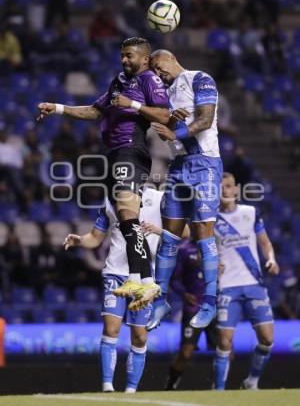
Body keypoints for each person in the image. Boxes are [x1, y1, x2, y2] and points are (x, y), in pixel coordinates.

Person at [37, 37, 175, 306]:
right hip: (113, 155)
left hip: (131, 150)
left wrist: (132, 105)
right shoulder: (119, 81)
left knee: (126, 213)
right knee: (126, 219)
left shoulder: (150, 80)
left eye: (129, 55)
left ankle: (147, 282)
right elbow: (94, 110)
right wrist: (59, 108)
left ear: (144, 59)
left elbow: (164, 115)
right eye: (122, 55)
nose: (124, 60)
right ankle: (138, 277)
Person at [139, 49, 222, 329]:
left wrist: (176, 131)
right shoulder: (162, 94)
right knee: (170, 238)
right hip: (179, 165)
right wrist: (171, 121)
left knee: (202, 235)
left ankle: (210, 301)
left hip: (205, 165)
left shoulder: (200, 79)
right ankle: (160, 301)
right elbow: (166, 123)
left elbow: (205, 120)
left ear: (171, 57)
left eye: (157, 64)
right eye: (151, 69)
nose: (156, 71)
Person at [63, 187, 163, 392]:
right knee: (111, 329)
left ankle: (131, 391)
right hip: (115, 273)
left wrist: (159, 230)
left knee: (140, 336)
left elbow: (184, 231)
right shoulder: (111, 200)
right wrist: (80, 241)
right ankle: (108, 386)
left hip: (144, 277)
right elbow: (95, 237)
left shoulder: (159, 198)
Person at [213, 172, 279, 390]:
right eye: (221, 187)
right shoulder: (211, 219)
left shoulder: (250, 213)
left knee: (267, 339)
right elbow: (202, 249)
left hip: (253, 284)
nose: (225, 190)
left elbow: (265, 242)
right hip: (227, 287)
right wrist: (211, 265)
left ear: (236, 190)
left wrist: (271, 260)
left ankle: (251, 381)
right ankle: (218, 391)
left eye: (229, 186)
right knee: (224, 342)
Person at [165, 238, 217, 390]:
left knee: (225, 349)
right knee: (186, 353)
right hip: (193, 308)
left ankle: (218, 387)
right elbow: (173, 279)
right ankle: (170, 385)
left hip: (215, 306)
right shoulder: (183, 250)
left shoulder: (217, 245)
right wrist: (184, 294)